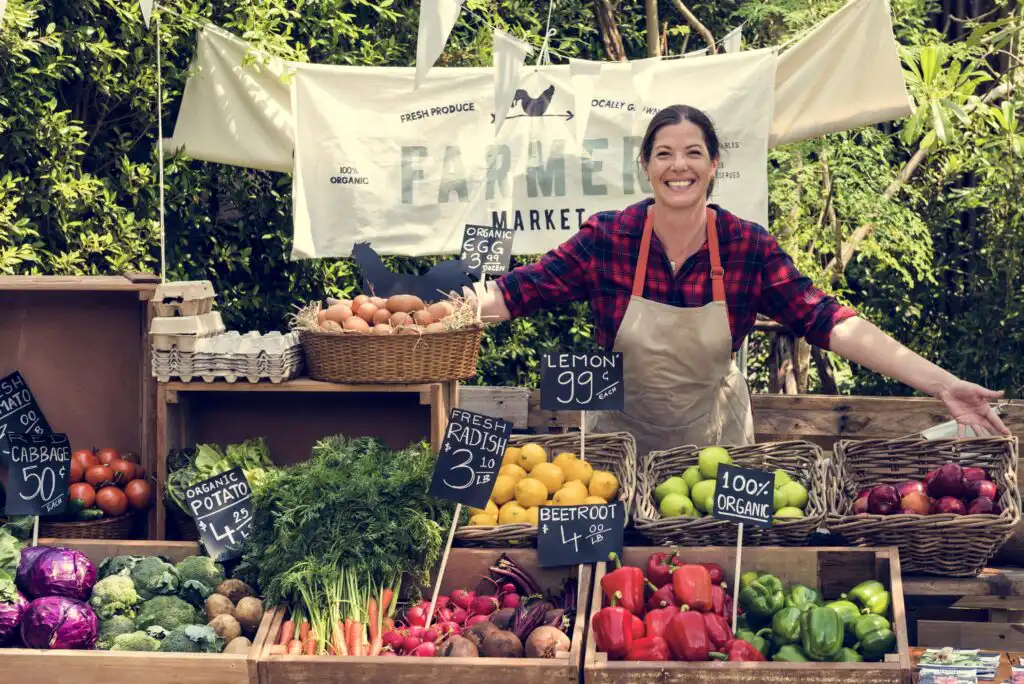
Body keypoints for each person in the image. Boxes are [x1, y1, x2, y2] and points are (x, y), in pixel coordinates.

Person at [465, 104, 1009, 457]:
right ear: (646, 167)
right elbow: (518, 292)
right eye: (665, 154)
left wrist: (941, 383)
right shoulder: (610, 237)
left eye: (693, 153)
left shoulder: (747, 247)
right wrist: (434, 318)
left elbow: (829, 321)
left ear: (714, 164)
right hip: (616, 448)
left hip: (716, 448)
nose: (680, 166)